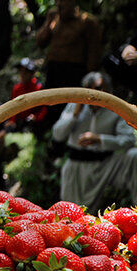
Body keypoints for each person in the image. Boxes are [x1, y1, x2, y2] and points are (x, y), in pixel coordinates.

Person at [52, 72, 137, 207]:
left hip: (107, 165)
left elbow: (129, 140)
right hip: (76, 166)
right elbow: (57, 135)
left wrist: (100, 140)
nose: (101, 94)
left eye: (104, 89)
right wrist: (75, 114)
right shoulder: (75, 105)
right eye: (96, 89)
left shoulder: (116, 108)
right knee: (72, 212)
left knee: (134, 155)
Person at [36, 0, 102, 89]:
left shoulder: (86, 21)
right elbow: (40, 42)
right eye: (56, 1)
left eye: (62, 0)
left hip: (75, 70)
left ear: (72, 1)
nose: (59, 4)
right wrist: (48, 22)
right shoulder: (54, 20)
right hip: (54, 70)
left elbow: (94, 50)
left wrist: (90, 76)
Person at [10, 58, 49, 131]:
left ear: (32, 73)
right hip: (19, 123)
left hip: (33, 124)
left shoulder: (38, 88)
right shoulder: (17, 88)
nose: (22, 74)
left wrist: (36, 117)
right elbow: (12, 107)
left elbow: (44, 109)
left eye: (25, 72)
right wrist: (12, 121)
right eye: (21, 71)